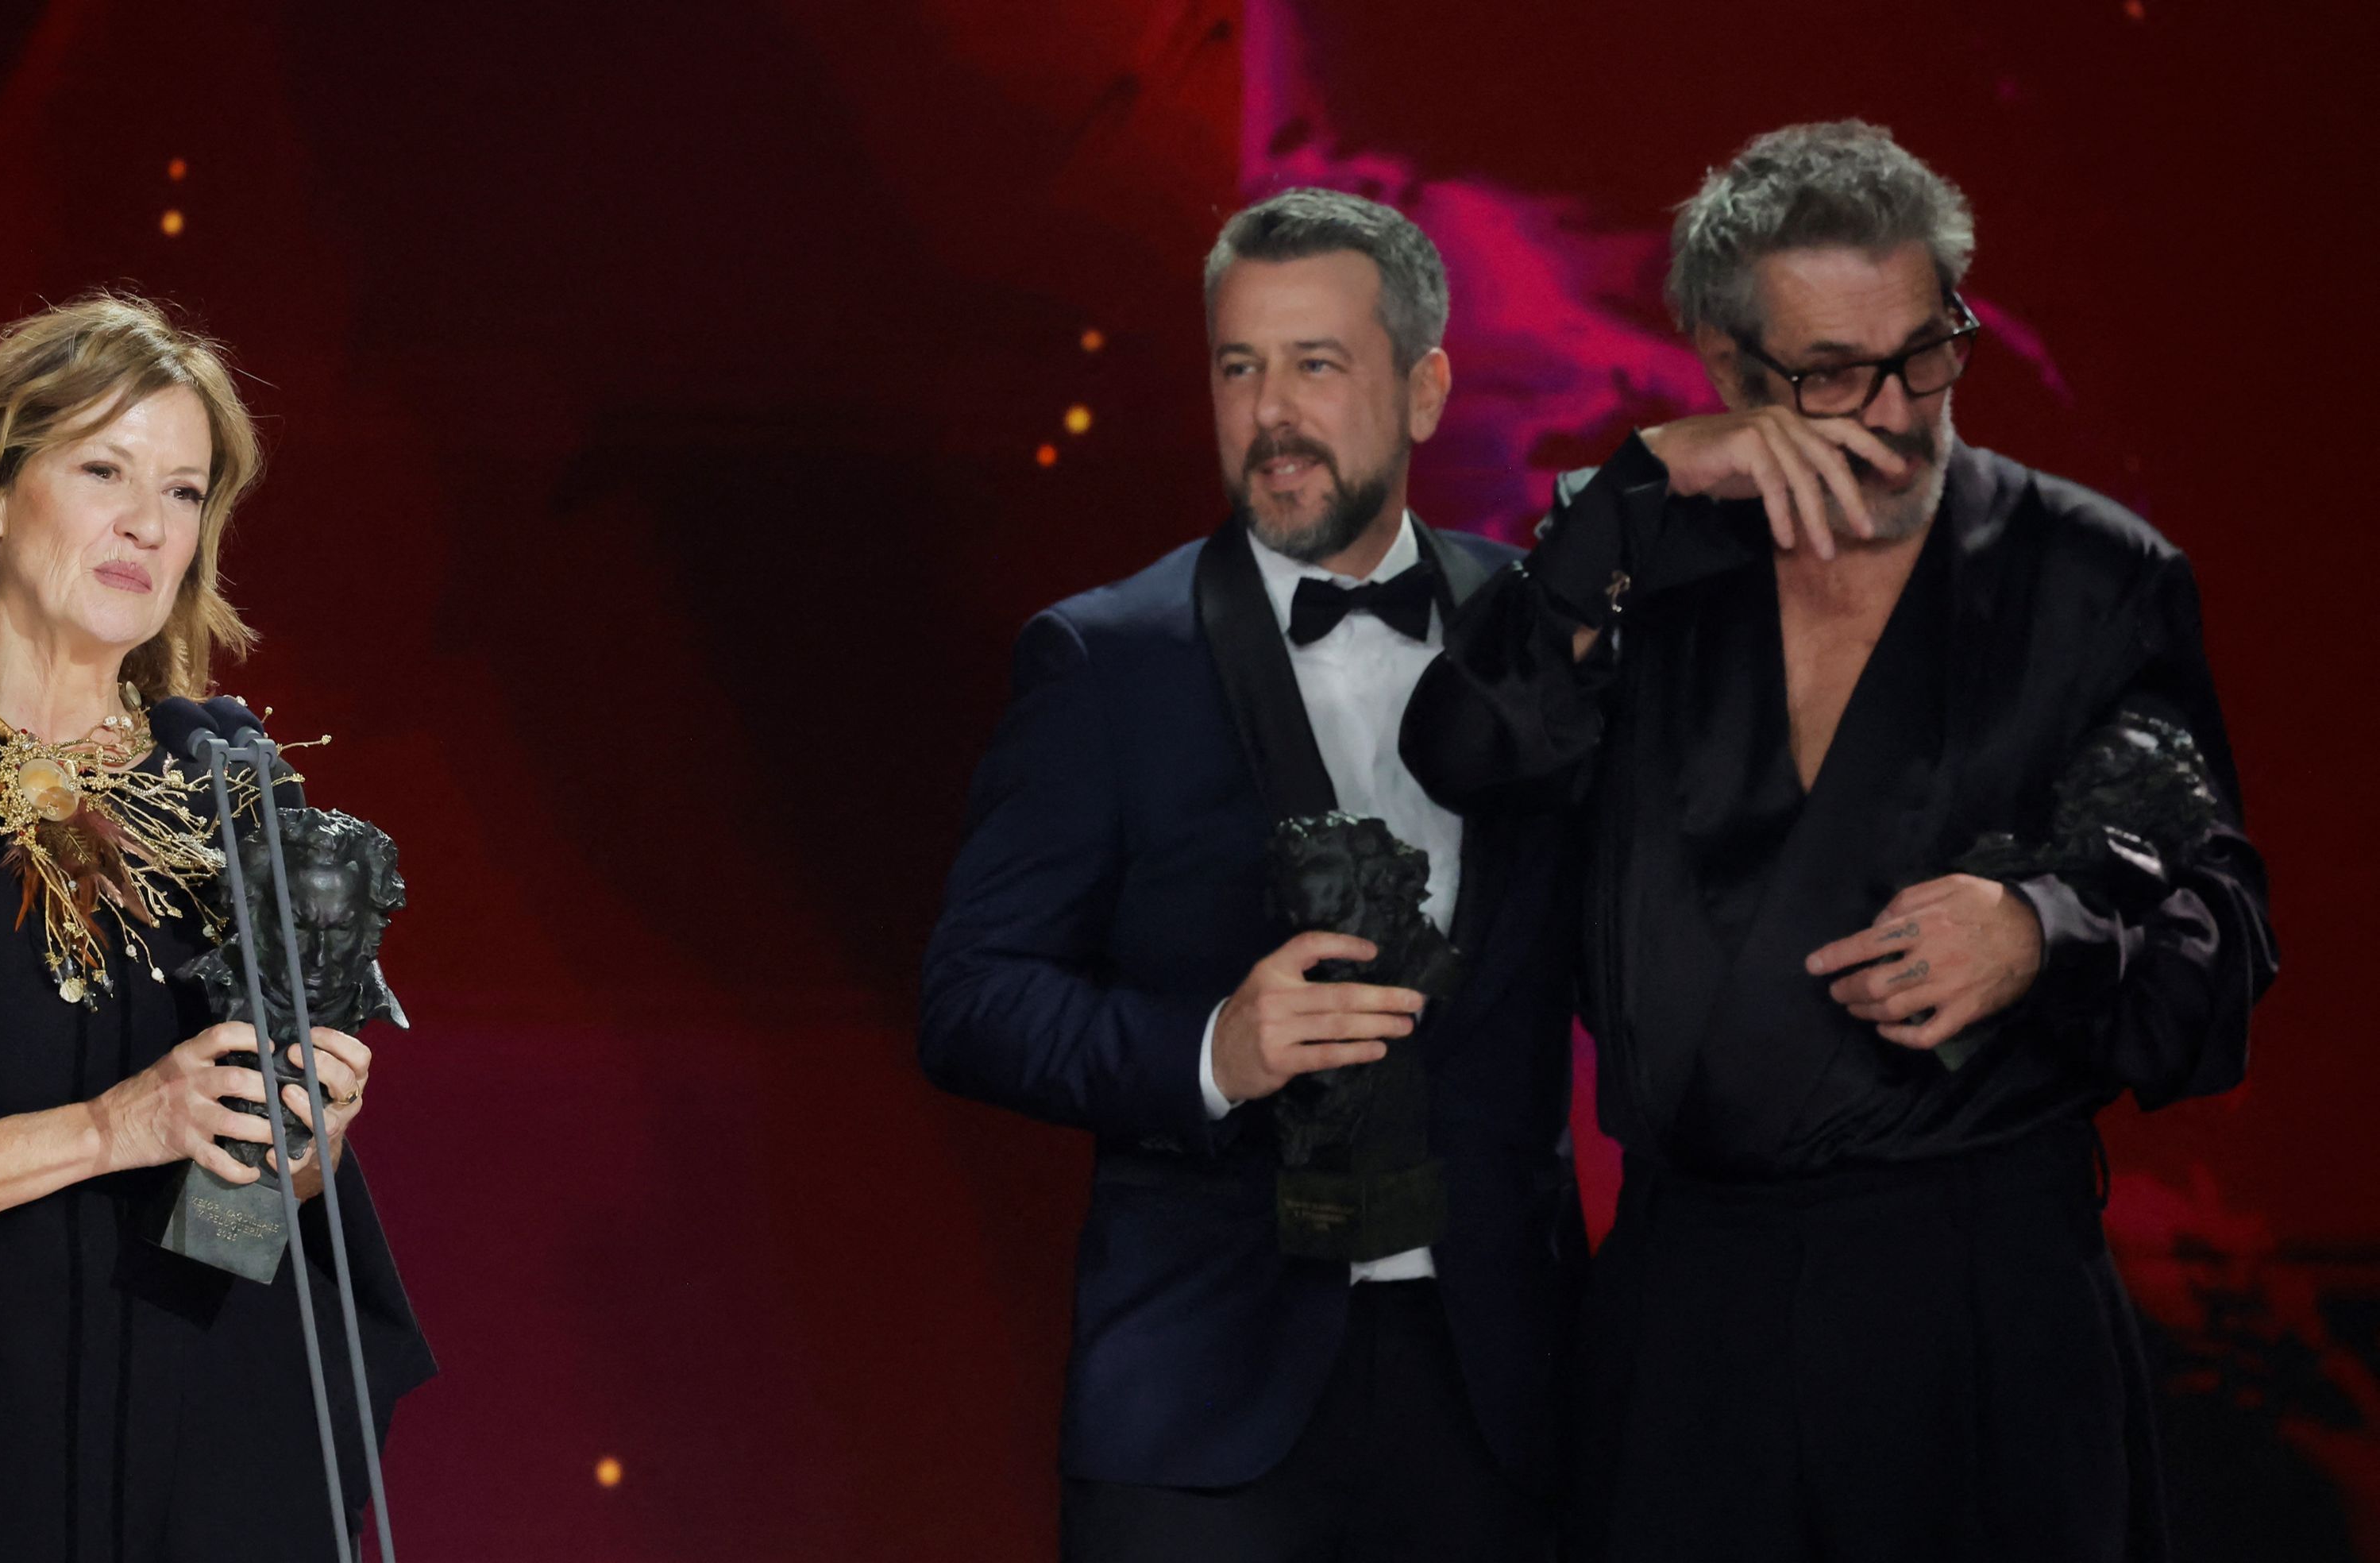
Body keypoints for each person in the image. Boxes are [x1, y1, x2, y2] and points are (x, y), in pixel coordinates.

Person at [1399, 122, 2276, 1561]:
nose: (1894, 412)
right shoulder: (1643, 567)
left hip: (1985, 1311)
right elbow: (1465, 751)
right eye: (1830, 373)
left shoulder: (2092, 578)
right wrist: (1625, 498)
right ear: (1729, 370)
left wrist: (2040, 933)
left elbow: (2219, 938)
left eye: (1925, 353)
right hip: (1688, 1319)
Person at [922, 188, 1582, 1561]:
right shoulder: (1107, 661)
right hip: (1201, 1414)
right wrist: (1212, 1052)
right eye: (1240, 368)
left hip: (1505, 1398)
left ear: (1424, 390)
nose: (1271, 413)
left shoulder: (1540, 635)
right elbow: (973, 998)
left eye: (1316, 365)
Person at [0, 292, 435, 1561]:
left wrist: (299, 1143)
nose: (146, 524)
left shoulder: (233, 788)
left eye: (183, 491)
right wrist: (114, 1129)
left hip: (231, 1465)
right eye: (104, 469)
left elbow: (248, 1221)